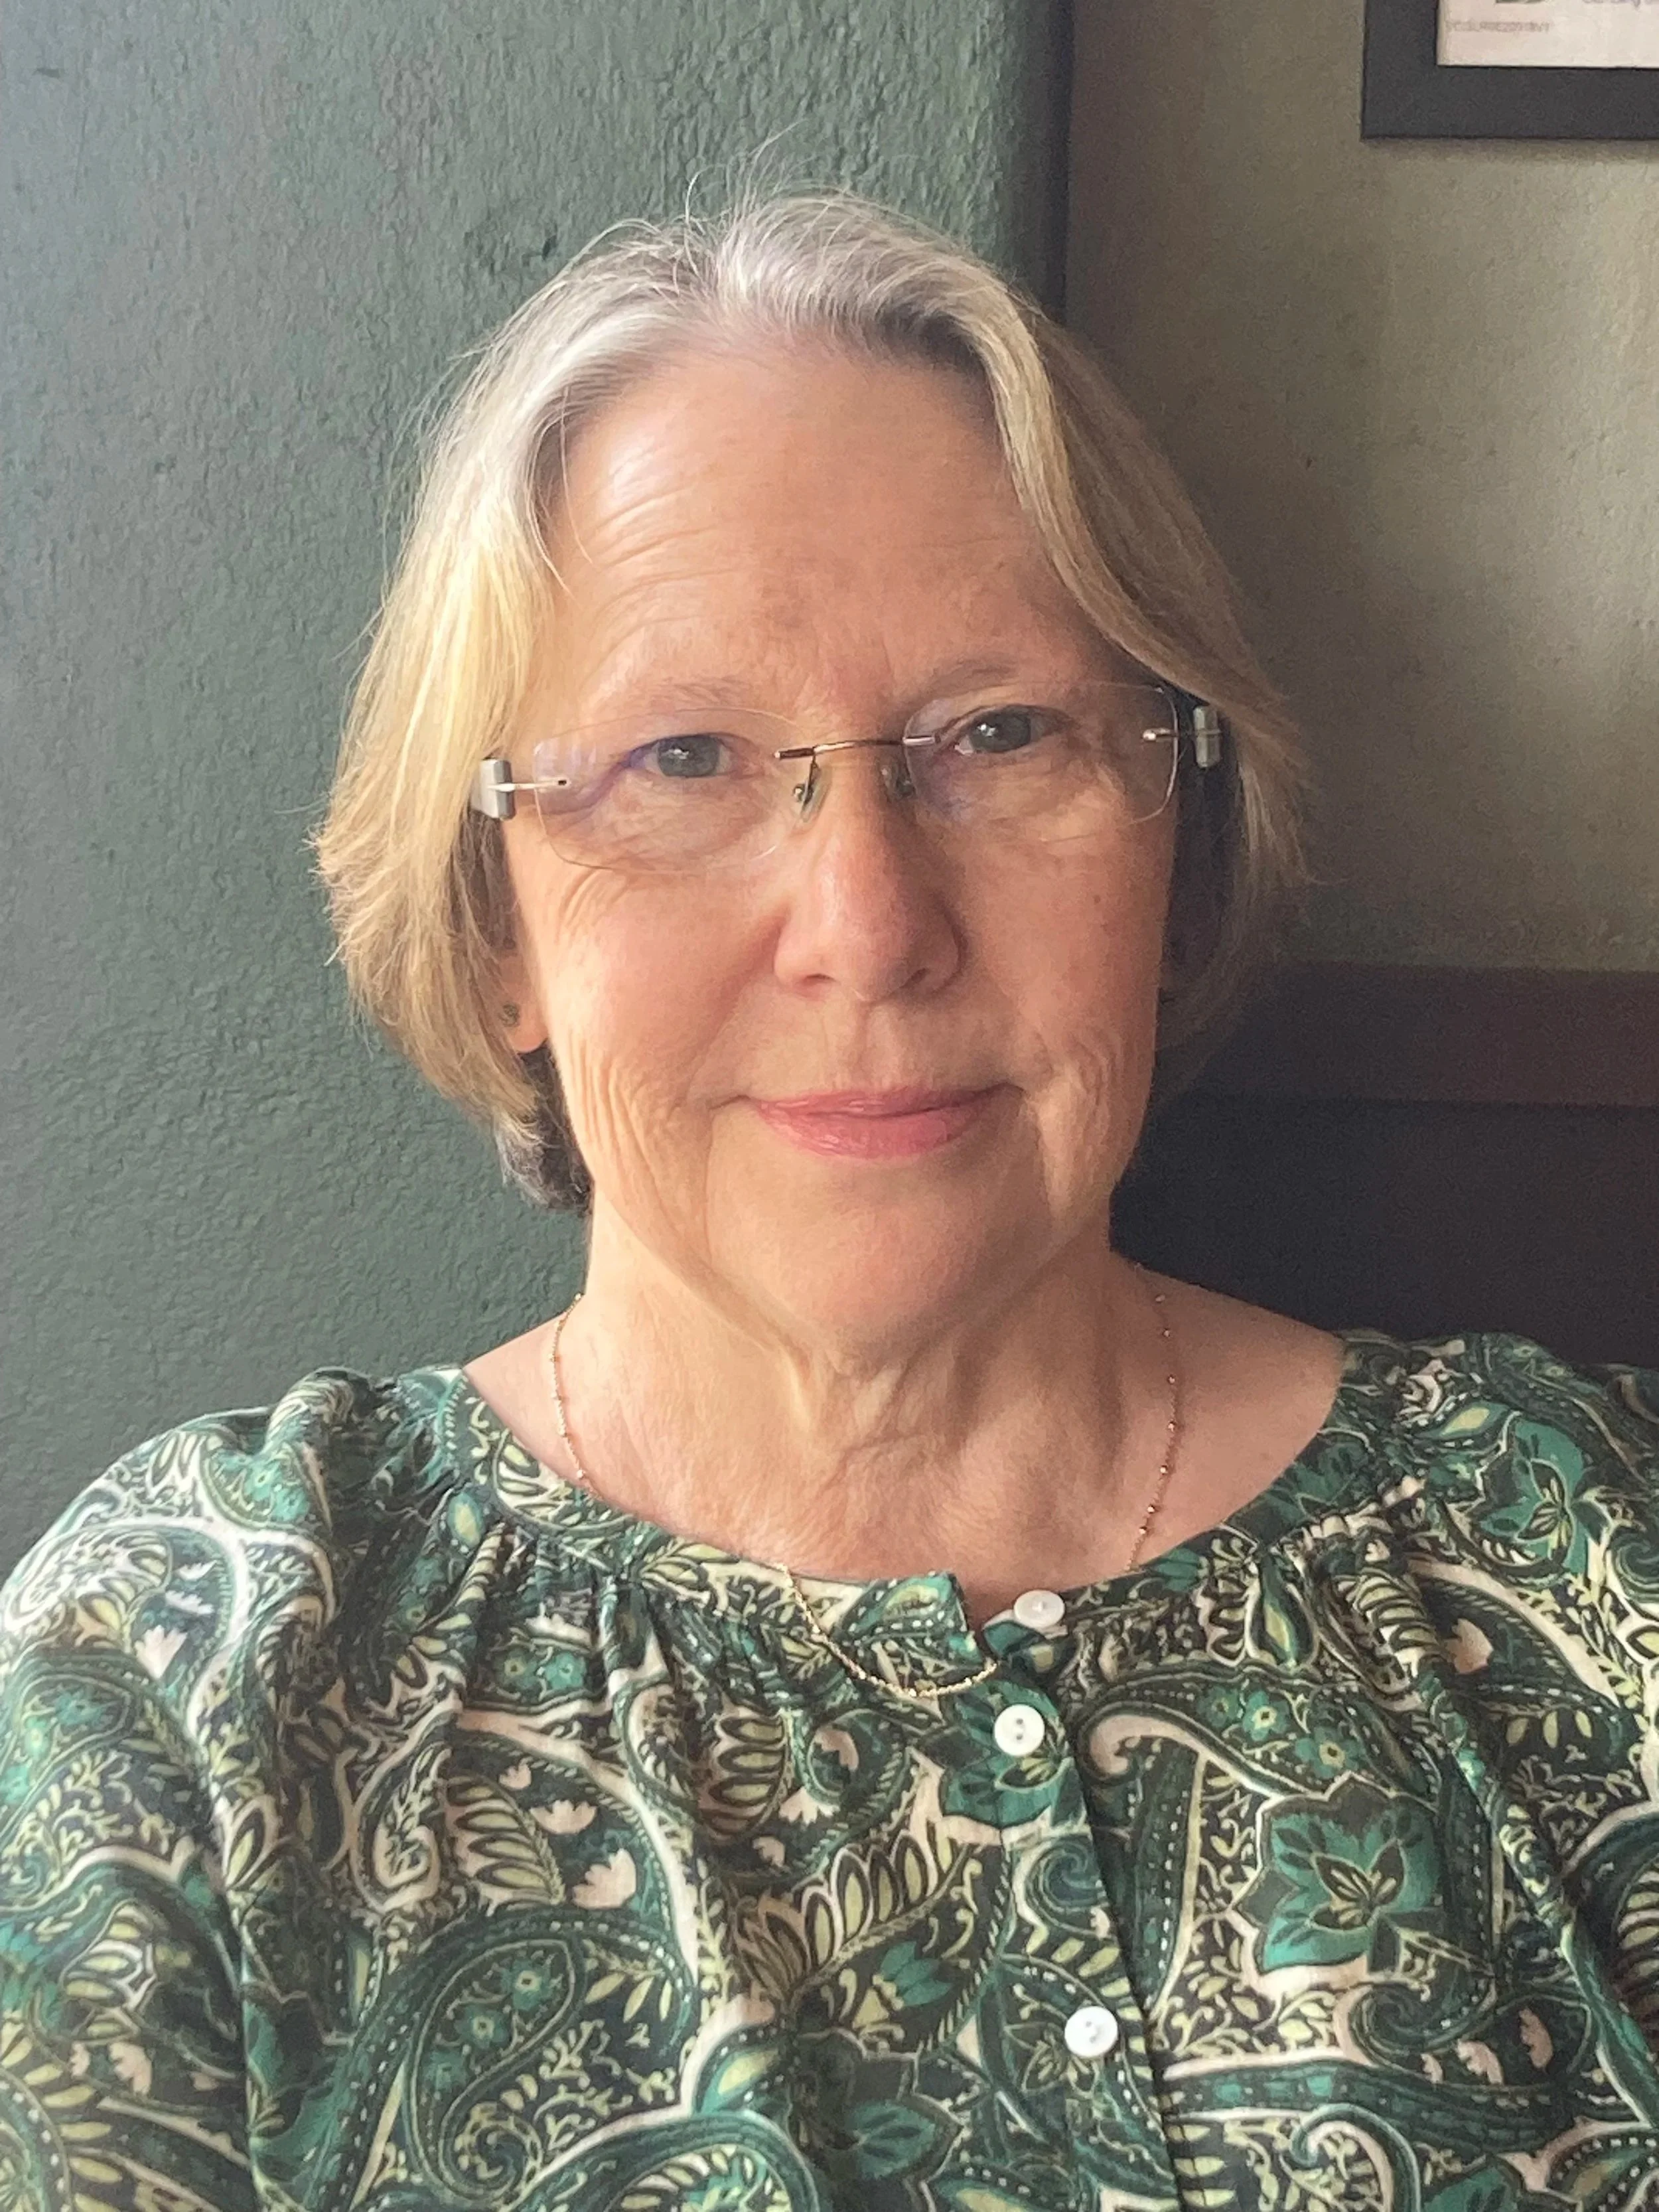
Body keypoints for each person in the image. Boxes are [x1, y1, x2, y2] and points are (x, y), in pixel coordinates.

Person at [3, 191, 1658, 2212]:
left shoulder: (1579, 1560)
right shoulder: (190, 1677)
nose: (867, 926)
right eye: (683, 756)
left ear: (1177, 843)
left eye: (998, 735)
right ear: (494, 926)